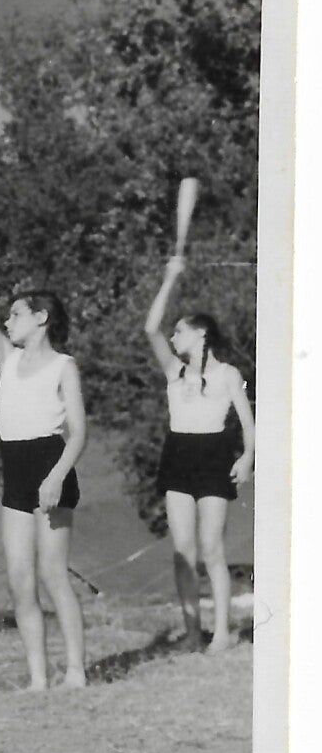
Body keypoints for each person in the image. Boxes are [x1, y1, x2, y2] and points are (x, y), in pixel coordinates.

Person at [0, 208, 89, 690]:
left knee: (53, 573)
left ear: (41, 319)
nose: (7, 321)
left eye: (16, 314)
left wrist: (54, 478)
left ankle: (75, 671)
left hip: (52, 465)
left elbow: (79, 433)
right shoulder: (7, 360)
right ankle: (37, 678)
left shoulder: (63, 367)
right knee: (19, 578)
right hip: (15, 470)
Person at [143, 254, 256, 650]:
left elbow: (247, 422)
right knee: (182, 551)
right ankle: (193, 633)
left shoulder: (228, 375)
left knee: (212, 548)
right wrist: (170, 276)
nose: (173, 338)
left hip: (214, 457)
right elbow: (150, 327)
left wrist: (246, 458)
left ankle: (222, 633)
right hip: (178, 456)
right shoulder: (174, 372)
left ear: (201, 334)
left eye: (180, 332)